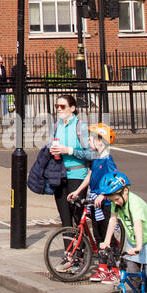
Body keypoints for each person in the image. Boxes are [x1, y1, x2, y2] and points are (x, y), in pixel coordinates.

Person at [67, 123, 121, 282]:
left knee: (106, 236)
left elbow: (114, 180)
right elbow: (90, 176)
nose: (88, 142)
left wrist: (103, 195)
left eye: (91, 139)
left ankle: (115, 269)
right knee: (97, 236)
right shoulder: (96, 159)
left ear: (100, 141)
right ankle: (102, 268)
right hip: (94, 201)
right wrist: (77, 191)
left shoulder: (108, 160)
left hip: (105, 204)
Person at [48, 93, 95, 238]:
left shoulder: (81, 127)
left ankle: (81, 251)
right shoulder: (56, 126)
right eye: (57, 106)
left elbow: (91, 154)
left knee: (77, 216)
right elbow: (52, 146)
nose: (59, 109)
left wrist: (69, 150)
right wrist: (52, 150)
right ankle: (69, 254)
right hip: (60, 175)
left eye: (62, 106)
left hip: (77, 174)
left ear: (73, 108)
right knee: (65, 219)